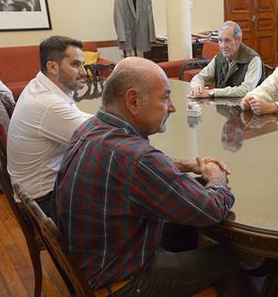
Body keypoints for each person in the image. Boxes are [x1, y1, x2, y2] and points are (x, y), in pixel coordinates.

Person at [54, 57, 238, 296]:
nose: (172, 107)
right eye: (165, 97)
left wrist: (184, 164)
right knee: (231, 255)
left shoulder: (90, 129)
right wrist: (216, 176)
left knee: (181, 224)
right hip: (121, 283)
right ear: (133, 101)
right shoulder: (138, 159)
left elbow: (128, 169)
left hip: (88, 264)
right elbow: (211, 209)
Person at [7, 35, 91, 215]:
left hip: (37, 193)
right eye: (75, 64)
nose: (84, 72)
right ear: (52, 67)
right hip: (43, 204)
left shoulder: (41, 85)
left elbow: (84, 120)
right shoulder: (47, 104)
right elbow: (100, 136)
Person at [189, 21, 263, 98]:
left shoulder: (253, 59)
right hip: (223, 107)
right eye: (220, 41)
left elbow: (246, 90)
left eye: (227, 40)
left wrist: (213, 92)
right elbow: (201, 77)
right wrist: (197, 87)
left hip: (246, 107)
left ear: (238, 40)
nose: (223, 45)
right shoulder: (219, 57)